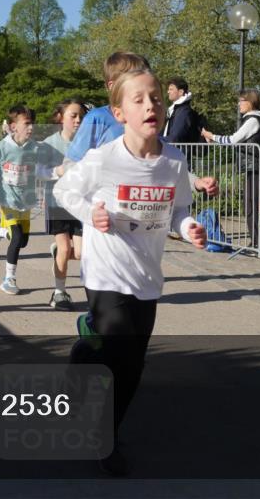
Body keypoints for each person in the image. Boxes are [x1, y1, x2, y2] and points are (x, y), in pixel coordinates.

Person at [54, 69, 206, 476]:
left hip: (146, 276)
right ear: (119, 113)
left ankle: (86, 355)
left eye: (155, 98)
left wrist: (188, 227)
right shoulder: (104, 158)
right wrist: (91, 214)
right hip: (105, 272)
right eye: (138, 100)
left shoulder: (173, 161)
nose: (150, 105)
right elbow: (63, 190)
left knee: (133, 363)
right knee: (120, 352)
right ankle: (104, 436)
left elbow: (179, 209)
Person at [65, 52, 219, 197]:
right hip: (106, 210)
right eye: (136, 78)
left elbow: (166, 164)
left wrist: (196, 182)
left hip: (146, 211)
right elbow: (70, 165)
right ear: (113, 86)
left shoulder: (148, 122)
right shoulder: (97, 119)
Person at [0, 104, 51, 296]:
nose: (31, 127)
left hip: (25, 202)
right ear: (13, 126)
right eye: (27, 123)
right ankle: (9, 279)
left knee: (22, 242)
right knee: (16, 238)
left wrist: (47, 194)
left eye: (32, 123)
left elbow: (44, 172)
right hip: (6, 200)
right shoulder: (1, 147)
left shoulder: (35, 148)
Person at [201, 89, 260, 250]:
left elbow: (233, 139)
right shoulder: (251, 119)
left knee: (252, 205)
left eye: (241, 101)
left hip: (257, 167)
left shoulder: (253, 120)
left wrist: (212, 136)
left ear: (251, 102)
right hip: (253, 167)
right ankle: (256, 243)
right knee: (249, 205)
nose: (239, 104)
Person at [40, 98, 89, 310]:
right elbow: (38, 172)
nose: (78, 120)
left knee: (80, 253)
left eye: (81, 116)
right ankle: (59, 293)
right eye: (73, 115)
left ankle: (59, 254)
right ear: (61, 118)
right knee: (65, 247)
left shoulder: (88, 143)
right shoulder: (49, 143)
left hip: (80, 203)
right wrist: (57, 171)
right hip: (57, 203)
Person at [163, 77, 205, 145]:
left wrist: (159, 141)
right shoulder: (177, 110)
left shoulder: (184, 111)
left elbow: (175, 137)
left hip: (178, 150)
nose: (168, 92)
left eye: (171, 89)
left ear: (181, 92)